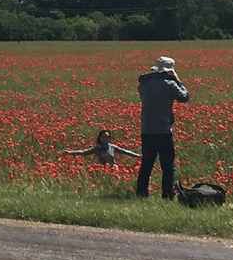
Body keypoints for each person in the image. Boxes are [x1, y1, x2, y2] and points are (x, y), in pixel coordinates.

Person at [135, 55, 189, 199]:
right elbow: (184, 97)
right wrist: (177, 79)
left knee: (146, 164)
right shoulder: (170, 84)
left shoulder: (144, 84)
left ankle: (141, 193)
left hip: (146, 129)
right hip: (163, 130)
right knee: (167, 165)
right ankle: (167, 194)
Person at [59, 129, 140, 166]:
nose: (105, 138)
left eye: (107, 137)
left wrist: (138, 156)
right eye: (103, 137)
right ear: (100, 138)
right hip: (102, 169)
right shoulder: (97, 148)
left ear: (109, 138)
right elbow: (83, 152)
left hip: (113, 168)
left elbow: (125, 152)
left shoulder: (113, 147)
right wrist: (70, 152)